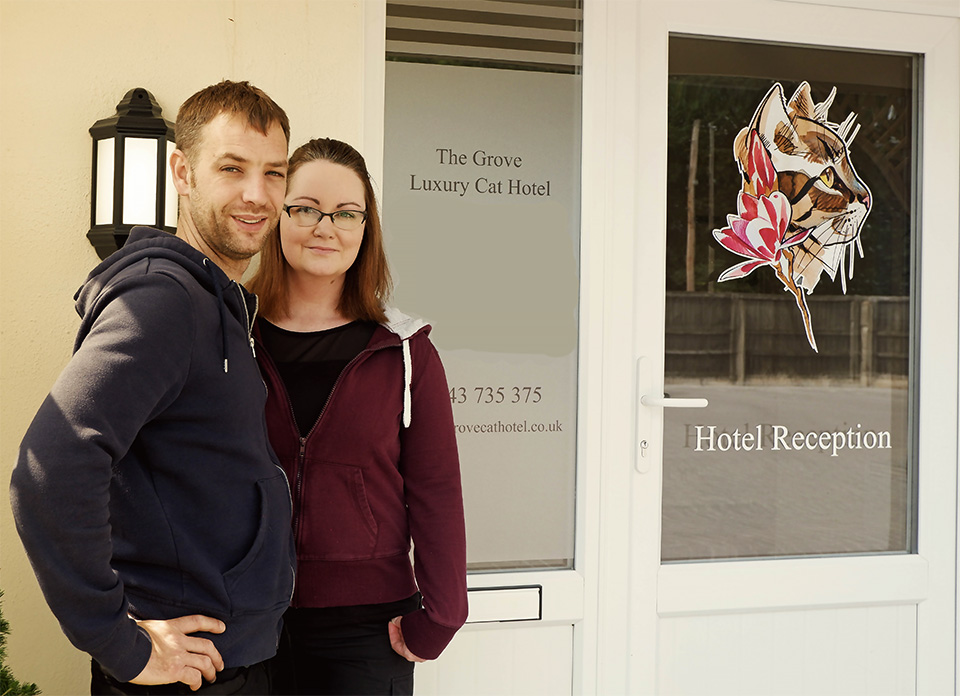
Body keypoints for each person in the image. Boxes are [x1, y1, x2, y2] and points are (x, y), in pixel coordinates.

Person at [10, 80, 296, 694]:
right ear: (182, 172)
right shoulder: (164, 300)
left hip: (222, 657)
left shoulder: (216, 304)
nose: (257, 194)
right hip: (186, 671)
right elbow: (49, 468)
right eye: (232, 168)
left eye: (274, 173)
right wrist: (121, 643)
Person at [246, 138, 468, 695]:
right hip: (243, 616)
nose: (326, 228)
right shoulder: (231, 337)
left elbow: (437, 489)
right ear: (277, 215)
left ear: (366, 229)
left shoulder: (405, 350)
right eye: (306, 208)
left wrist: (443, 617)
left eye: (346, 213)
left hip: (366, 629)